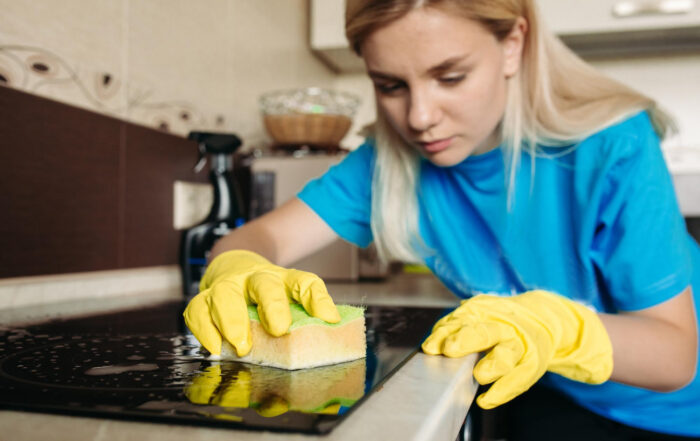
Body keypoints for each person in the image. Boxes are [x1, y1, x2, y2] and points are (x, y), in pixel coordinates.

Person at [183, 0, 700, 439]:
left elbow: (675, 357)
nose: (419, 117)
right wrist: (239, 270)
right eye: (390, 86)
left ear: (513, 44)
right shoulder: (389, 160)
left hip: (670, 412)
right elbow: (262, 236)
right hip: (545, 384)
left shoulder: (614, 144)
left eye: (450, 77)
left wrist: (560, 326)